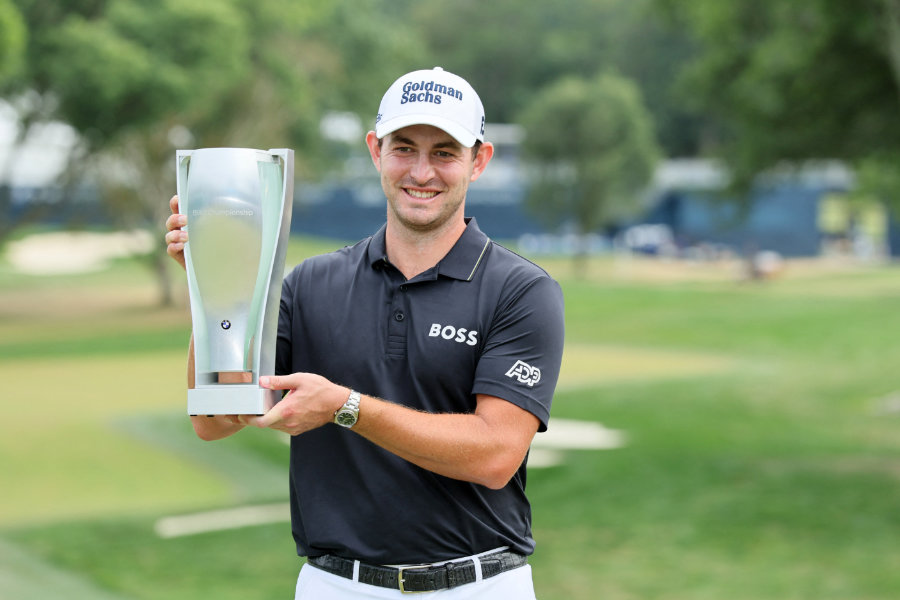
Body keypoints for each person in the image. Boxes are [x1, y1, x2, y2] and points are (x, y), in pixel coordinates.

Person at [164, 66, 565, 599]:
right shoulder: (310, 284)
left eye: (444, 152)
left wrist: (345, 406)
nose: (421, 171)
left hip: (477, 584)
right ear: (376, 150)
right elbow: (214, 419)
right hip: (336, 585)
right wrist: (211, 280)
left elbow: (494, 455)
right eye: (404, 148)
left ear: (479, 161)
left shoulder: (520, 290)